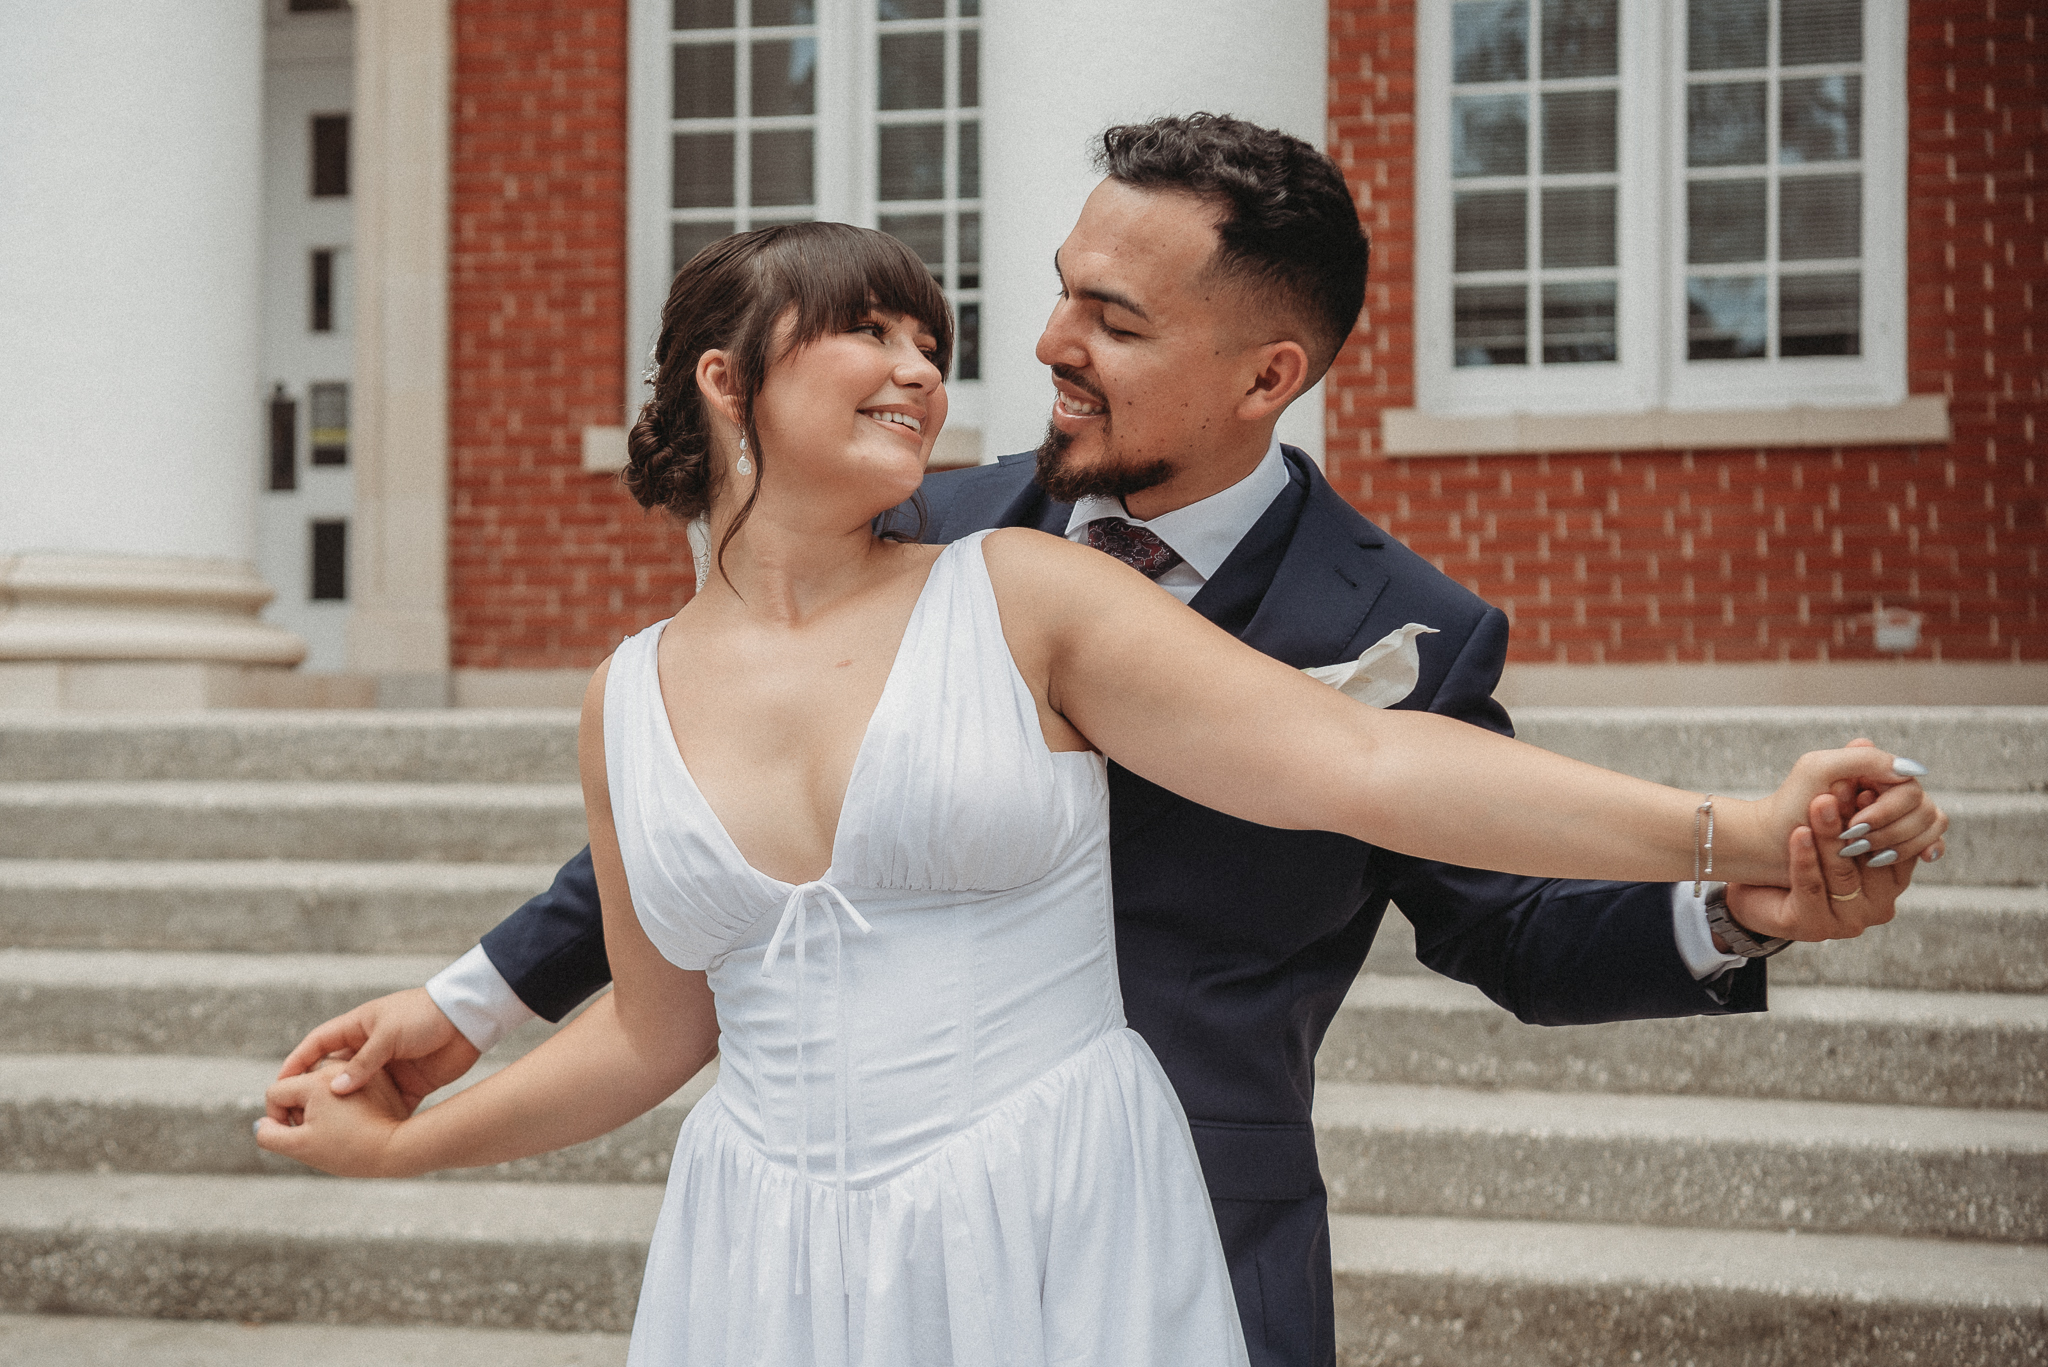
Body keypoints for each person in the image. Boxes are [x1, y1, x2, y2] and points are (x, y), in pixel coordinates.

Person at [270, 118, 1943, 1367]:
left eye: (1115, 321)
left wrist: (1732, 863)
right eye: (1056, 295)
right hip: (783, 1243)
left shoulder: (1331, 610)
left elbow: (1407, 805)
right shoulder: (901, 539)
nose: (1035, 351)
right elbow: (729, 864)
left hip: (1151, 1203)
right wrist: (461, 1009)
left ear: (1265, 371)